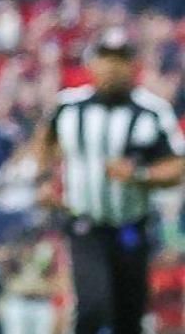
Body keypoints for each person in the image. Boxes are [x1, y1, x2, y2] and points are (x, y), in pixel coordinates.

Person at [31, 27, 185, 334]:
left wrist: (139, 175)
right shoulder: (68, 106)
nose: (112, 68)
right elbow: (43, 144)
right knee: (92, 306)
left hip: (131, 226)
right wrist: (45, 181)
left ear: (133, 65)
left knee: (129, 315)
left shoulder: (152, 112)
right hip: (85, 224)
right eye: (106, 59)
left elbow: (176, 167)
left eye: (120, 59)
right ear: (92, 64)